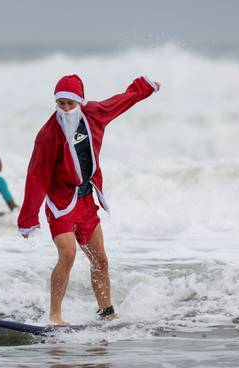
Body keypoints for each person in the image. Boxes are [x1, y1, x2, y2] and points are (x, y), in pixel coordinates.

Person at [18, 74, 160, 325]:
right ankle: (55, 316)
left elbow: (122, 101)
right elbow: (36, 175)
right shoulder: (48, 134)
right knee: (69, 255)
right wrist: (28, 218)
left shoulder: (94, 113)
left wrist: (145, 87)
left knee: (100, 259)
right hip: (61, 203)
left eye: (70, 104)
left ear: (80, 102)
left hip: (85, 201)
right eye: (60, 104)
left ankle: (107, 312)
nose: (65, 109)